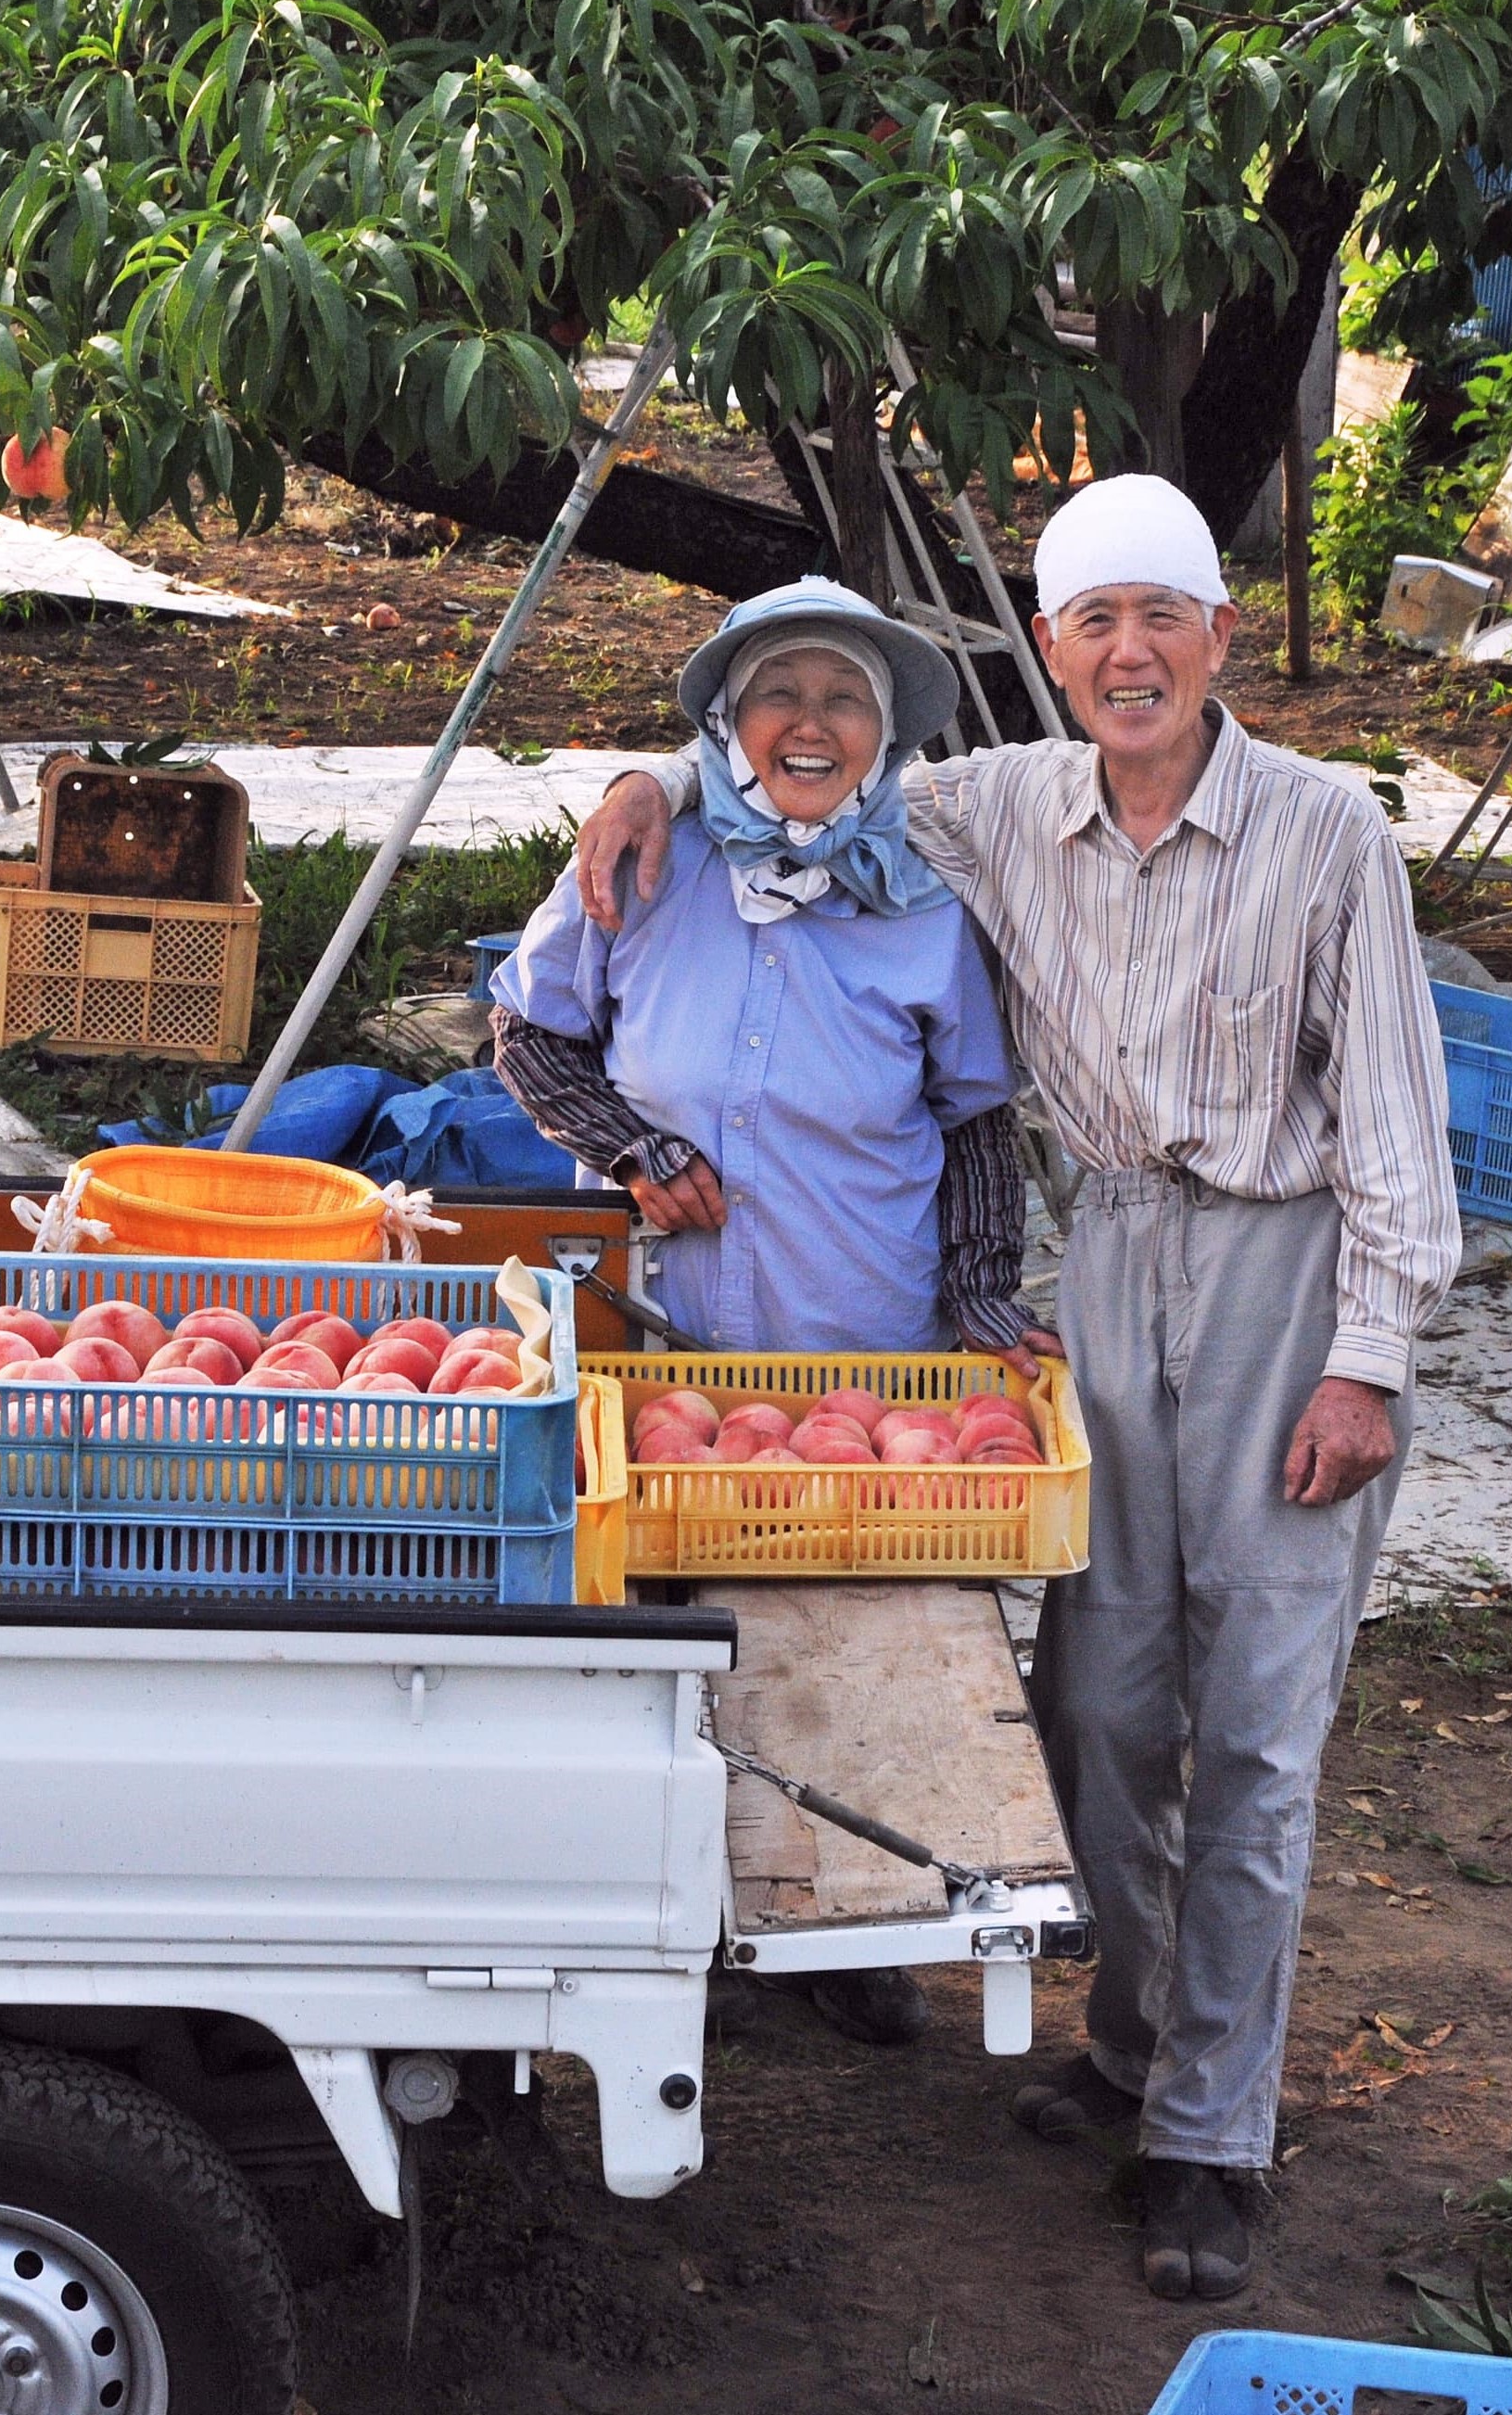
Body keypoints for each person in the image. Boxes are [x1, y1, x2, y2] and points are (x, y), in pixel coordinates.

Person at [569, 477, 1462, 2301]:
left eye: (1162, 616)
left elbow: (1394, 1121)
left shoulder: (1320, 833)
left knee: (1261, 1733)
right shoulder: (994, 807)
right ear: (1048, 651)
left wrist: (1371, 1360)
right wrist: (654, 777)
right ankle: (1138, 2043)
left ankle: (1213, 2136)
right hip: (1113, 1264)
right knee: (1099, 1710)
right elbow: (794, 756)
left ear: (1220, 635)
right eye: (1091, 623)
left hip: (1291, 1268)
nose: (1127, 653)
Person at [492, 578, 1056, 2046]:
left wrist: (986, 1289)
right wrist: (632, 1146)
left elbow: (978, 1120)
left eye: (846, 699)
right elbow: (529, 1029)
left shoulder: (927, 903)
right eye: (780, 693)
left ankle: (846, 1920)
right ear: (726, 724)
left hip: (849, 1315)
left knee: (840, 1614)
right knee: (652, 1607)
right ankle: (660, 1915)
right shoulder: (648, 859)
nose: (812, 724)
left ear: (884, 738)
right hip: (665, 1311)